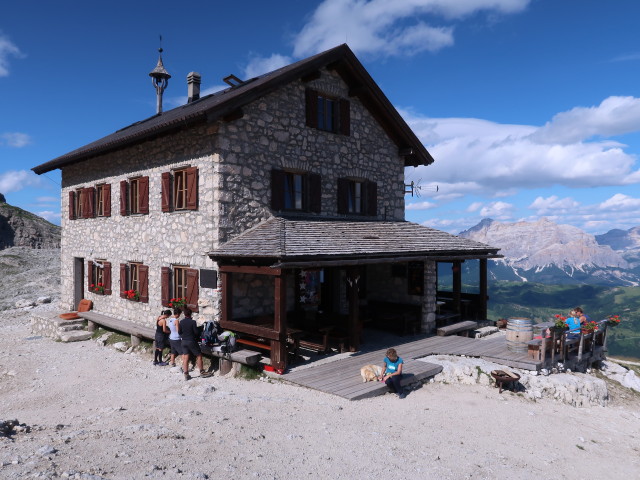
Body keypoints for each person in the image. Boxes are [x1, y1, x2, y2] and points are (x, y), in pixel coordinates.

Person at [177, 307, 205, 380]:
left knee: (186, 357)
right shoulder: (193, 322)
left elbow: (179, 332)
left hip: (183, 341)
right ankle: (202, 371)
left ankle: (186, 373)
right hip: (191, 341)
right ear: (191, 314)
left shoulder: (181, 322)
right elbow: (196, 332)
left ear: (184, 314)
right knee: (199, 355)